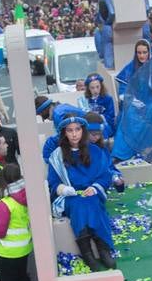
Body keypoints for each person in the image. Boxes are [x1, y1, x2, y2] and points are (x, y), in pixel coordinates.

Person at [47, 114, 118, 271]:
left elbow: (105, 175)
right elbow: (53, 182)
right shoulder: (57, 155)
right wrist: (63, 189)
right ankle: (86, 252)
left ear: (82, 131)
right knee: (79, 204)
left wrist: (94, 187)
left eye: (77, 129)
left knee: (91, 201)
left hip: (92, 192)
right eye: (70, 130)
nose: (74, 134)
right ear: (64, 133)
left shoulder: (95, 151)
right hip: (70, 196)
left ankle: (103, 248)